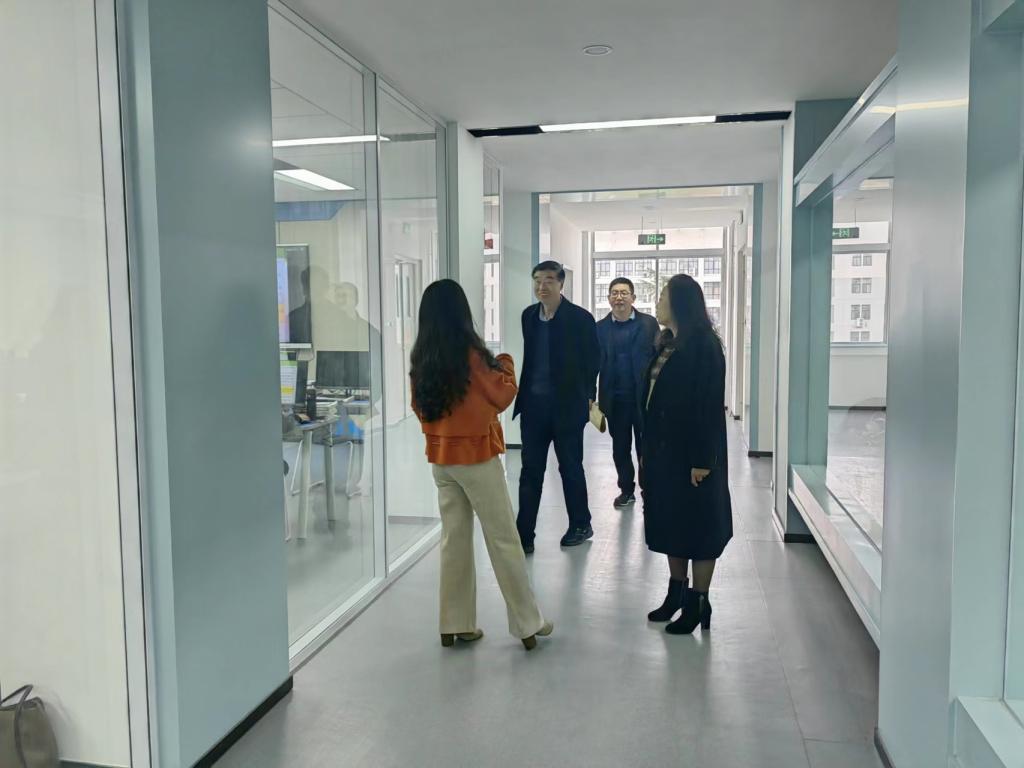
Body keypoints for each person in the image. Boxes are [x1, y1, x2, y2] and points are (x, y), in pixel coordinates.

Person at [411, 279, 553, 651]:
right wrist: (505, 361)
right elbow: (502, 394)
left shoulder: (421, 358)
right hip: (475, 457)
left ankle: (454, 624)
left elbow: (418, 408)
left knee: (453, 541)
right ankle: (527, 623)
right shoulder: (471, 356)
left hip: (441, 460)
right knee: (504, 539)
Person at [642, 274, 733, 635]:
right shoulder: (667, 343)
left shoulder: (704, 346)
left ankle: (698, 601)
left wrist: (703, 460)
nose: (657, 303)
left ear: (680, 302)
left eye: (662, 296)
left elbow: (708, 406)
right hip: (664, 452)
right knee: (672, 522)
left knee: (700, 527)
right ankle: (676, 594)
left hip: (693, 455)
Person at [513, 261, 600, 553]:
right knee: (530, 471)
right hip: (533, 408)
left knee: (570, 468)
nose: (542, 286)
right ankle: (524, 532)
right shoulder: (528, 316)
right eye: (537, 280)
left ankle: (581, 524)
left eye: (549, 280)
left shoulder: (580, 318)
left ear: (561, 284)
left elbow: (593, 360)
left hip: (567, 408)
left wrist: (588, 396)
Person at [595, 277, 660, 508]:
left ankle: (649, 490)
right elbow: (593, 364)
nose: (619, 297)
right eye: (614, 293)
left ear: (633, 297)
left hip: (644, 400)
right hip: (615, 401)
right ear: (608, 298)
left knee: (646, 447)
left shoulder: (649, 324)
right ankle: (626, 490)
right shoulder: (600, 328)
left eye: (624, 293)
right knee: (620, 448)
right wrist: (590, 396)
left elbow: (658, 359)